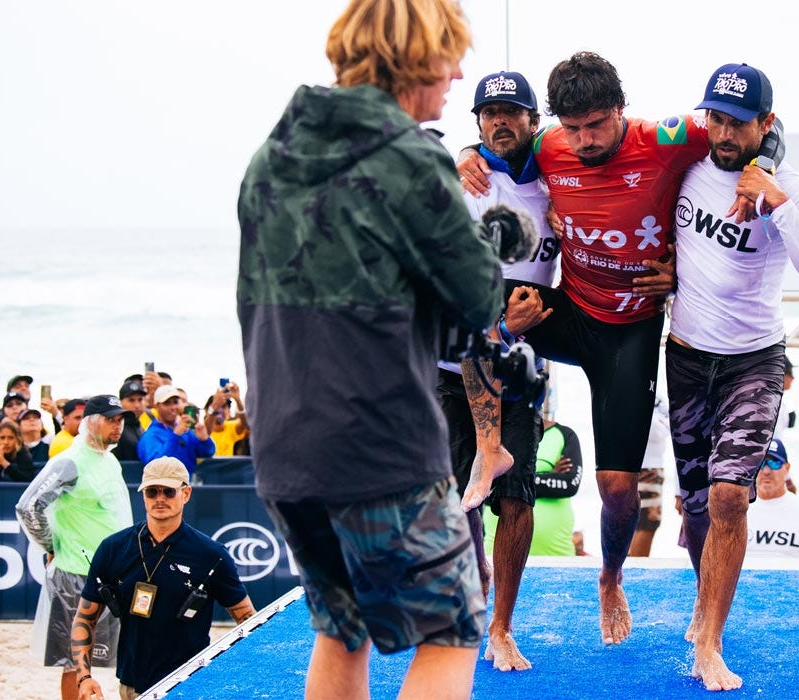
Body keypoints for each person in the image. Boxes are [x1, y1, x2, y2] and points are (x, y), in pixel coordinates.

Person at [236, 1, 503, 697]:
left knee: (340, 625)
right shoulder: (410, 158)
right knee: (451, 629)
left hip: (284, 450)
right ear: (415, 60)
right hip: (379, 446)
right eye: (449, 55)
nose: (458, 73)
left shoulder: (273, 157)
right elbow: (479, 303)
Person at [457, 50, 715, 647]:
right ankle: (490, 446)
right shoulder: (547, 145)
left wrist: (680, 265)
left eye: (595, 125)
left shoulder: (665, 137)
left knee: (618, 489)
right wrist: (467, 157)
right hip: (570, 314)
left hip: (630, 332)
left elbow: (751, 131)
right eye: (571, 128)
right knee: (479, 295)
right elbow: (495, 147)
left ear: (620, 112)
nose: (583, 140)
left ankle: (610, 575)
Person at [666, 62, 799, 691]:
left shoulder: (790, 186)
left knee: (730, 495)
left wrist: (776, 199)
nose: (722, 132)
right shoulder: (685, 164)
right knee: (693, 507)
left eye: (737, 122)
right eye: (715, 117)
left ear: (765, 124)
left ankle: (710, 640)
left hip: (754, 360)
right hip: (685, 355)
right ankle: (703, 603)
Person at [436, 68, 556, 673]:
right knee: (461, 505)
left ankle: (503, 626)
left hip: (521, 369)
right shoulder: (461, 183)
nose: (499, 121)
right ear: (477, 123)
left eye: (512, 111)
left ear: (534, 120)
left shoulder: (558, 187)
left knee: (516, 500)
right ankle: (475, 598)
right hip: (448, 364)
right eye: (488, 113)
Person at [73, 457, 256, 699]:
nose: (160, 498)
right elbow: (84, 619)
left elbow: (250, 622)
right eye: (152, 491)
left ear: (186, 494)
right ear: (143, 495)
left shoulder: (211, 555)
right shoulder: (113, 549)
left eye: (169, 491)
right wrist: (84, 677)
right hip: (132, 686)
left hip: (192, 686)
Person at [15, 394, 133, 700]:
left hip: (111, 573)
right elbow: (28, 506)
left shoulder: (109, 459)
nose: (117, 426)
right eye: (110, 419)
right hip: (74, 575)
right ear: (91, 422)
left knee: (107, 659)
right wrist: (51, 545)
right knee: (74, 663)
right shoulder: (70, 460)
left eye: (120, 419)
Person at [484, 418, 584, 556]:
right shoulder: (491, 435)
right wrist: (549, 476)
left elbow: (570, 484)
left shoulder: (565, 435)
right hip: (496, 553)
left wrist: (509, 482)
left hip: (557, 555)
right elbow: (485, 489)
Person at [745, 438, 799, 561]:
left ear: (787, 468)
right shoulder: (737, 512)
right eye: (761, 464)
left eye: (774, 463)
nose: (766, 471)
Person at [137, 385, 215, 477]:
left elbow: (207, 453)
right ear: (157, 406)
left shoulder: (185, 430)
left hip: (187, 486)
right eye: (167, 403)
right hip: (165, 488)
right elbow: (156, 466)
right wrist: (175, 436)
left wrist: (204, 439)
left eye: (175, 402)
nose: (173, 407)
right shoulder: (150, 436)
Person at [630, 396, 671, 557]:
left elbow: (661, 431)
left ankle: (630, 568)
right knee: (640, 522)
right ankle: (631, 571)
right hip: (635, 466)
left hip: (652, 467)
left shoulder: (659, 395)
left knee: (648, 523)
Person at [204, 383, 248, 457]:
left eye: (224, 406)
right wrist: (214, 407)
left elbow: (246, 424)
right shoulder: (200, 429)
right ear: (206, 410)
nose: (220, 410)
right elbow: (205, 431)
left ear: (228, 411)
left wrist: (238, 400)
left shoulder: (230, 427)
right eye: (217, 405)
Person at [113, 379, 147, 463]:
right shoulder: (116, 428)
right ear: (120, 402)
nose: (137, 405)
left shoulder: (141, 427)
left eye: (140, 400)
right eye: (131, 400)